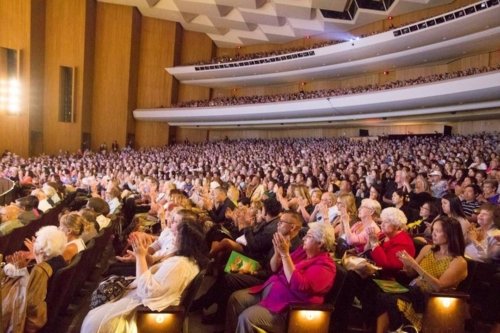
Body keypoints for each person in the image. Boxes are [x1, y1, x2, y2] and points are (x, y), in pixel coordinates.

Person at [81, 217, 209, 333]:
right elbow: (155, 262)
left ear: (186, 241)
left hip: (145, 309)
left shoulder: (180, 265)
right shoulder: (184, 257)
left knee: (95, 323)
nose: (173, 237)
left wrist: (140, 256)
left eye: (176, 235)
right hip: (142, 295)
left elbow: (148, 292)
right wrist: (140, 256)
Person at [225, 222, 336, 333]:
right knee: (236, 299)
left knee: (246, 318)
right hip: (271, 292)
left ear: (320, 243)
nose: (304, 239)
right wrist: (278, 252)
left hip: (287, 309)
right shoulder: (303, 251)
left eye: (309, 236)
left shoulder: (326, 266)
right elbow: (274, 268)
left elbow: (299, 284)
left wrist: (285, 254)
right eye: (306, 235)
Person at [375, 216, 468, 333]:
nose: (433, 234)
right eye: (433, 230)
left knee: (390, 299)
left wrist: (414, 265)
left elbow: (438, 286)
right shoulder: (428, 249)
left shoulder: (458, 261)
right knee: (378, 291)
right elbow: (410, 274)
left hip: (431, 298)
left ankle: (405, 328)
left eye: (438, 231)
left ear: (450, 234)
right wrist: (406, 264)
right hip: (413, 289)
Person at [1, 226, 67, 333]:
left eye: (36, 241)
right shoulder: (60, 260)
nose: (34, 243)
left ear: (41, 249)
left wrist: (21, 270)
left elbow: (30, 300)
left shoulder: (40, 271)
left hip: (26, 320)